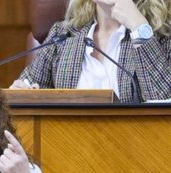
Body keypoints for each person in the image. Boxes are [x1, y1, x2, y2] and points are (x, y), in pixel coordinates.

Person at [11, 0, 171, 103]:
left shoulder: (161, 34)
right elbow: (26, 91)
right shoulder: (63, 35)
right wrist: (20, 94)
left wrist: (138, 26)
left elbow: (163, 106)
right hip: (67, 148)